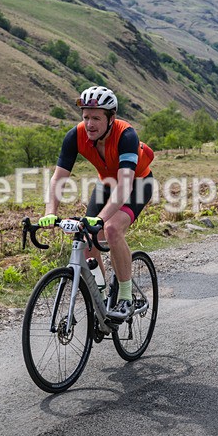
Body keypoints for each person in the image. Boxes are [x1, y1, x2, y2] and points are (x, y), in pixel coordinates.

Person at [39, 85, 155, 321]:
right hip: (106, 184)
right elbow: (59, 177)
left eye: (96, 118)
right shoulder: (76, 135)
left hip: (137, 184)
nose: (89, 124)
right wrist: (50, 212)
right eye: (85, 117)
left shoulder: (127, 135)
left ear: (111, 118)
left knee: (111, 229)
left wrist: (101, 219)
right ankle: (99, 294)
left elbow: (124, 186)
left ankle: (125, 297)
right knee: (86, 233)